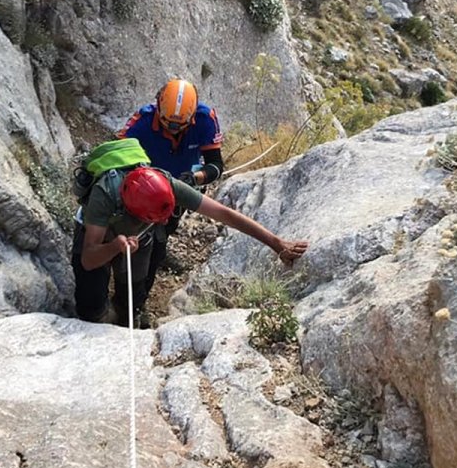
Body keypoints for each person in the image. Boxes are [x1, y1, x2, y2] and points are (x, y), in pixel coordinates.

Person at [72, 165, 308, 327]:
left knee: (132, 297)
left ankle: (126, 318)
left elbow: (225, 214)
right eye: (155, 218)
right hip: (100, 237)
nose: (165, 222)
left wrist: (276, 243)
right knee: (89, 307)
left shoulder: (167, 185)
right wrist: (114, 246)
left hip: (139, 238)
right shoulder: (104, 197)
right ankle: (100, 317)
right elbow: (88, 258)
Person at [117, 79, 225, 306]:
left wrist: (196, 178)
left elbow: (215, 165)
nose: (173, 130)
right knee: (142, 242)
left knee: (163, 235)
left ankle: (140, 292)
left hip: (179, 191)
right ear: (158, 105)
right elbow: (117, 154)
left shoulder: (205, 119)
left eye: (180, 126)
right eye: (167, 124)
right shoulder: (143, 121)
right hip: (145, 191)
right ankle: (130, 298)